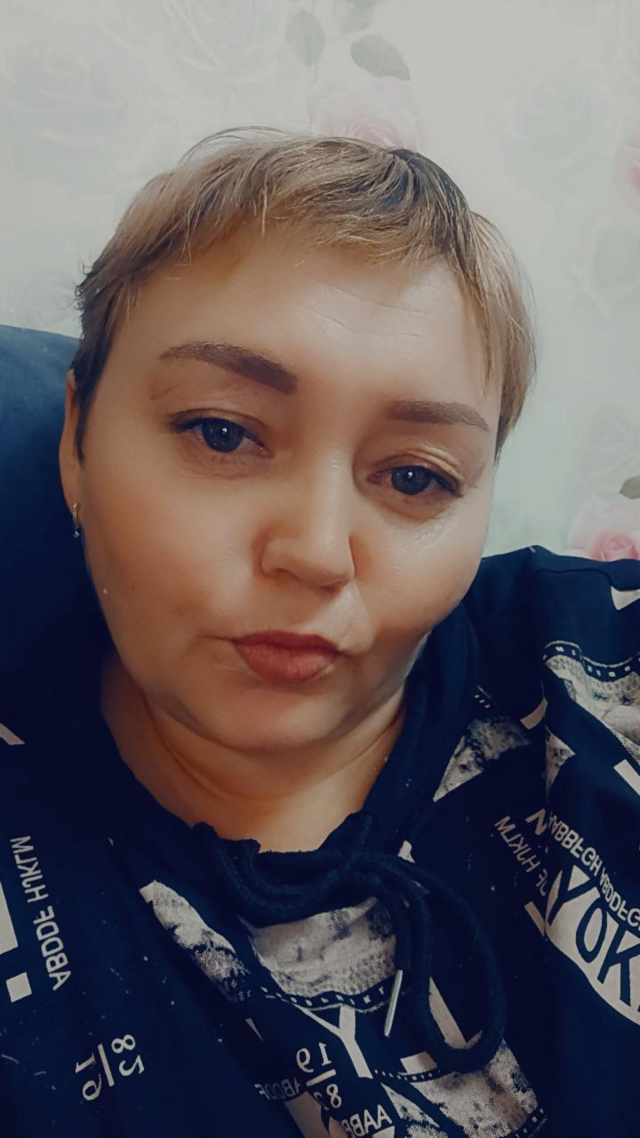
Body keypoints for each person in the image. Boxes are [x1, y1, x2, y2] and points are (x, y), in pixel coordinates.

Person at [1, 126, 638, 1137]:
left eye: (415, 476)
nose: (316, 552)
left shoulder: (601, 666)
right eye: (222, 432)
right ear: (77, 437)